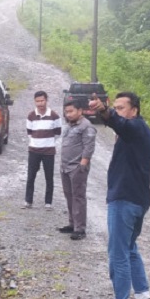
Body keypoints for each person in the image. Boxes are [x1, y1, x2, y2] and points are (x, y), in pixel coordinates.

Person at [89, 91, 150, 299]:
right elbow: (119, 125)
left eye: (121, 108)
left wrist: (104, 111)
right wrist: (110, 115)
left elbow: (117, 123)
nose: (118, 111)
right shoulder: (141, 131)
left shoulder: (135, 128)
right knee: (130, 248)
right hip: (139, 200)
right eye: (115, 107)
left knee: (118, 253)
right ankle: (144, 297)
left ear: (134, 110)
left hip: (124, 200)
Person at [58, 98, 96, 240]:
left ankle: (80, 229)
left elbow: (89, 147)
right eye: (66, 112)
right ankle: (72, 224)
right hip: (65, 167)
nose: (68, 114)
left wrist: (82, 165)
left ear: (80, 111)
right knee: (69, 196)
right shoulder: (70, 125)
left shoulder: (86, 126)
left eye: (71, 111)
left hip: (77, 168)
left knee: (78, 197)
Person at [24, 91, 62, 209]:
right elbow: (29, 132)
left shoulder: (54, 116)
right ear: (35, 102)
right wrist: (37, 142)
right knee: (31, 176)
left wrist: (47, 142)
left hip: (49, 152)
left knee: (49, 177)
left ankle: (48, 202)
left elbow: (58, 132)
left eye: (42, 101)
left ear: (46, 100)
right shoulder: (31, 116)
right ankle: (28, 201)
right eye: (37, 101)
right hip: (34, 150)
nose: (40, 103)